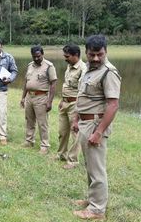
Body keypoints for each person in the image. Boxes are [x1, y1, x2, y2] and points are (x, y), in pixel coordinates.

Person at [72, 35, 121, 220]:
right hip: (85, 123)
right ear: (86, 52)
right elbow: (82, 96)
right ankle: (93, 199)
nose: (95, 59)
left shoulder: (109, 73)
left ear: (106, 52)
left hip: (95, 125)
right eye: (92, 54)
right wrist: (76, 119)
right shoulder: (89, 70)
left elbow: (113, 105)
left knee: (97, 169)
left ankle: (97, 210)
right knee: (90, 166)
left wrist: (99, 132)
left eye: (99, 55)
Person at [20, 45, 57, 154]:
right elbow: (26, 82)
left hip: (41, 97)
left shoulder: (49, 66)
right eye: (34, 56)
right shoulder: (30, 65)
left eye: (38, 56)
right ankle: (29, 140)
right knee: (29, 120)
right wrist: (23, 97)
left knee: (42, 123)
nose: (36, 58)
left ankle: (44, 145)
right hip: (29, 97)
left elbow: (53, 83)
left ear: (42, 54)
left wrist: (49, 101)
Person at [55, 44, 87, 169]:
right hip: (65, 103)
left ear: (76, 55)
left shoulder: (83, 69)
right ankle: (61, 154)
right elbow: (67, 85)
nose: (65, 58)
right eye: (64, 56)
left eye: (67, 56)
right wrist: (62, 100)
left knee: (75, 132)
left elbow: (82, 91)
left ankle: (73, 160)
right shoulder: (69, 67)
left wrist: (79, 110)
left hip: (75, 104)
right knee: (62, 131)